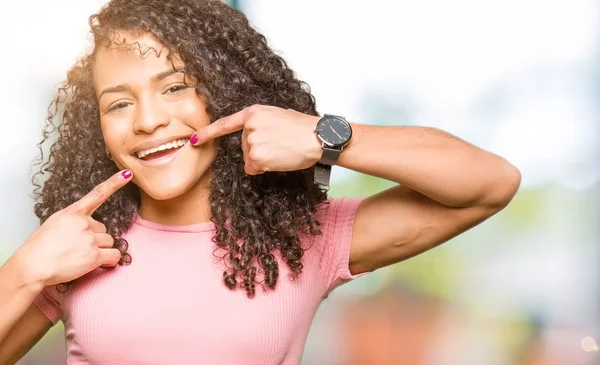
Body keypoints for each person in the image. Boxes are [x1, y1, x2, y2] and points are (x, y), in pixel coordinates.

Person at [0, 0, 521, 364]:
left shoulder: (302, 237)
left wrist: (326, 138)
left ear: (224, 93)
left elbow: (491, 182)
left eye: (177, 86)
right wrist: (24, 270)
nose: (147, 120)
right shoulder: (81, 248)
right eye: (118, 102)